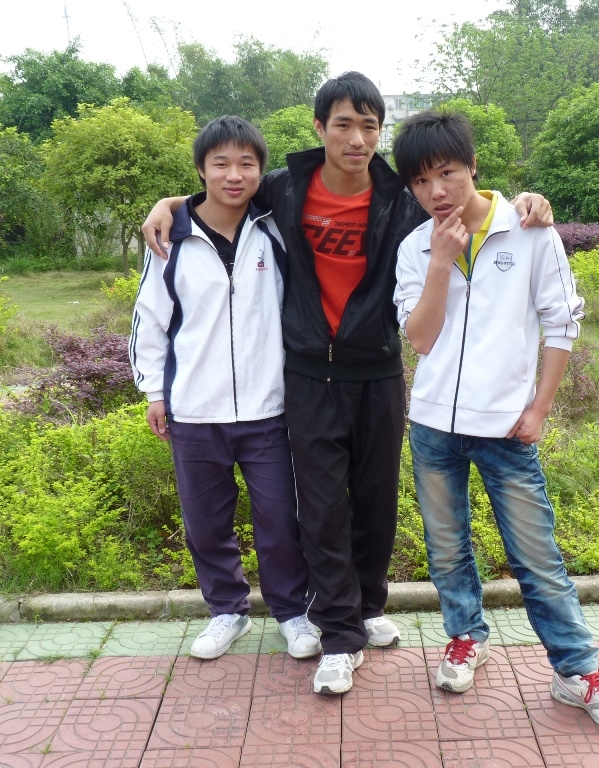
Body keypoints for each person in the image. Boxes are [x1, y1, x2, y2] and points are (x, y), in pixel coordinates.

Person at [141, 73, 552, 695]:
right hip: (308, 375)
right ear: (320, 128)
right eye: (343, 125)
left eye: (369, 126)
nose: (357, 139)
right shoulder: (285, 188)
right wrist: (169, 204)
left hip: (377, 371)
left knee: (376, 503)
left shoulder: (401, 195)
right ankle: (338, 636)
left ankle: (364, 605)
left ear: (380, 132)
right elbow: (223, 190)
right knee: (322, 507)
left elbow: (462, 196)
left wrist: (526, 199)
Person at [392, 110, 599, 732]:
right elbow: (420, 339)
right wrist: (440, 263)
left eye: (447, 173)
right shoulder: (415, 247)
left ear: (473, 166)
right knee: (447, 549)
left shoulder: (530, 231)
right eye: (421, 181)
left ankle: (577, 671)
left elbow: (561, 322)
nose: (437, 191)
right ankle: (465, 637)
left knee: (536, 556)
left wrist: (540, 408)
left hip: (505, 427)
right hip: (433, 426)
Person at [129, 116, 320, 662]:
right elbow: (150, 319)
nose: (234, 175)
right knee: (206, 524)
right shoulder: (171, 240)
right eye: (221, 164)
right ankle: (226, 611)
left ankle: (292, 612)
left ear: (261, 171)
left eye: (246, 164)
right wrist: (154, 392)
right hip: (194, 410)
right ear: (201, 170)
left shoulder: (276, 229)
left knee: (280, 521)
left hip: (268, 409)